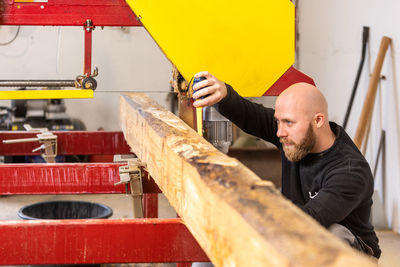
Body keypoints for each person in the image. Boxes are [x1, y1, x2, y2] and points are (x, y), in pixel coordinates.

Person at [192, 71, 381, 258]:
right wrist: (224, 95)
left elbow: (309, 219)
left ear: (318, 120)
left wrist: (249, 211)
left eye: (288, 122)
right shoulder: (296, 136)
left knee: (333, 233)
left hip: (350, 254)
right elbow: (251, 115)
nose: (280, 132)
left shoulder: (350, 171)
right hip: (299, 234)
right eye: (278, 122)